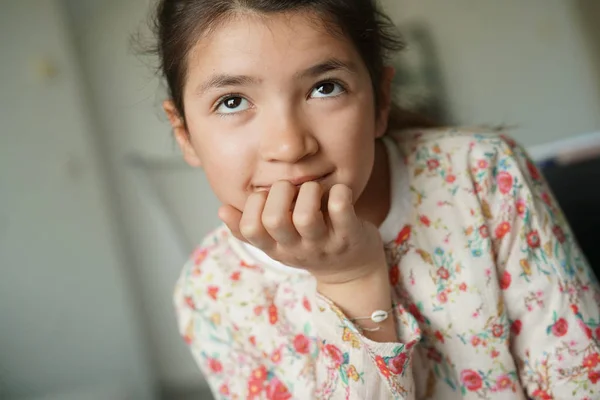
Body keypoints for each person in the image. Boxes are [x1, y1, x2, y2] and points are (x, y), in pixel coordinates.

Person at [148, 0, 600, 398]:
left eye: (325, 87)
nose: (289, 145)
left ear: (380, 99)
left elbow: (579, 377)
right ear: (184, 132)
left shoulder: (483, 176)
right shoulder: (212, 293)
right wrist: (351, 281)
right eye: (232, 101)